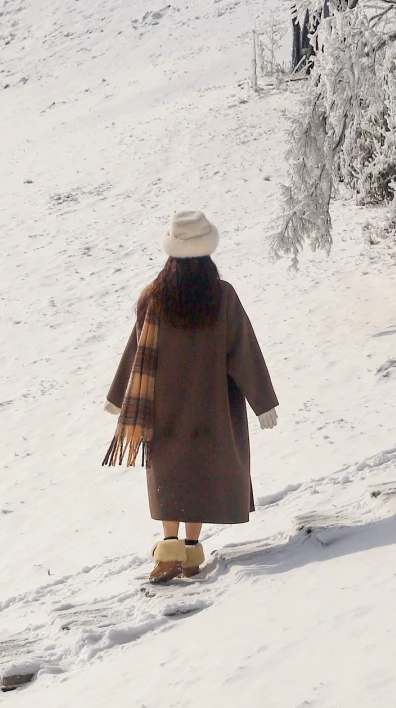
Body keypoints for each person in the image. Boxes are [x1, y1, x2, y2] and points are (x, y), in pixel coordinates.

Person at [104, 210, 279, 583]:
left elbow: (137, 354)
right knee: (199, 474)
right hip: (212, 404)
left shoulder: (153, 297)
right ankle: (191, 552)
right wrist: (262, 401)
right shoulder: (221, 296)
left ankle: (169, 548)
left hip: (164, 406)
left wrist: (119, 397)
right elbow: (242, 349)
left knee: (170, 474)